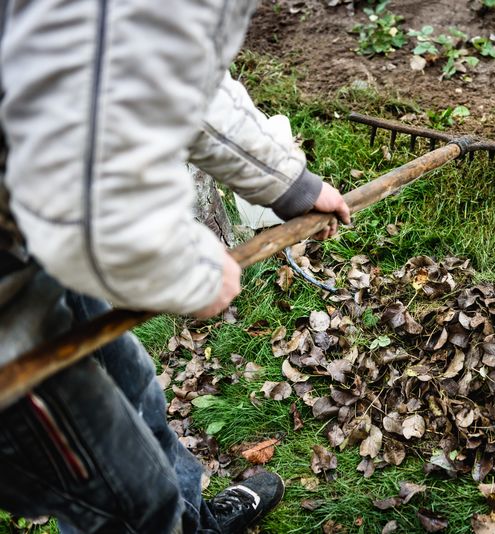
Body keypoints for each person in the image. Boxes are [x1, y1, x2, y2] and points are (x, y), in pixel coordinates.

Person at [0, 0, 351, 532]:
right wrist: (186, 271)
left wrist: (286, 181)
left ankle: (191, 522)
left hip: (31, 247)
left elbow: (173, 67)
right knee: (126, 502)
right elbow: (73, 179)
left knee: (134, 389)